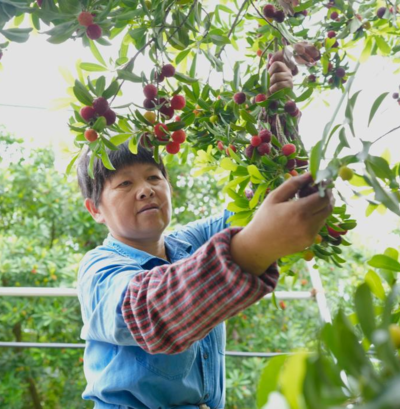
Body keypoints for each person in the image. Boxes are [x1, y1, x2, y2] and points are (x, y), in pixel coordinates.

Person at [75, 44, 329, 409]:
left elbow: (262, 200)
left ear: (169, 186)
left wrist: (279, 109)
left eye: (153, 177)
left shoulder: (189, 243)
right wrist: (252, 249)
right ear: (95, 209)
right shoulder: (98, 271)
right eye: (125, 184)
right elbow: (144, 310)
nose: (145, 189)